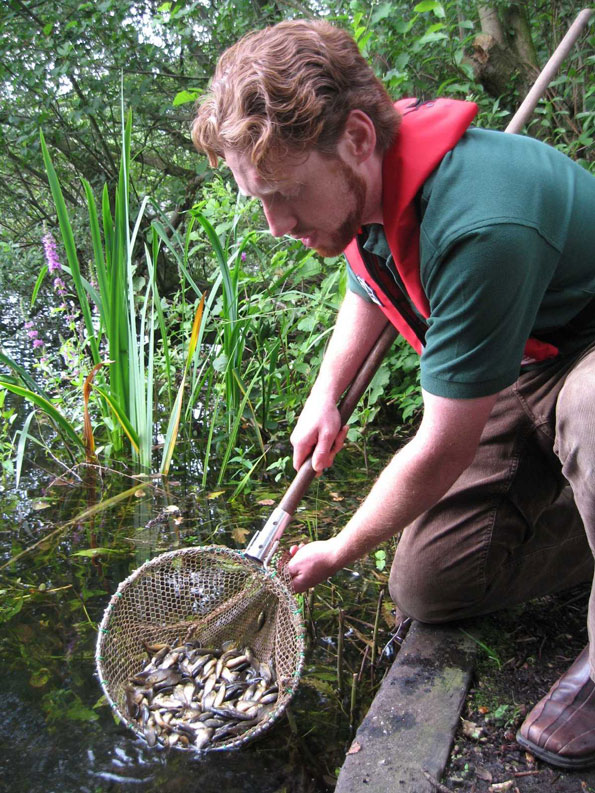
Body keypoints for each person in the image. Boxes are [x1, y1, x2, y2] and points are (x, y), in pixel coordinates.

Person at [191, 19, 595, 769]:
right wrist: (326, 392)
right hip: (523, 361)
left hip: (584, 357)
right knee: (428, 583)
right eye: (258, 200)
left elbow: (440, 446)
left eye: (282, 193)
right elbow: (366, 277)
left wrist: (341, 547)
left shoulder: (481, 225)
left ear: (353, 138)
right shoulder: (363, 180)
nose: (276, 224)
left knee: (591, 410)